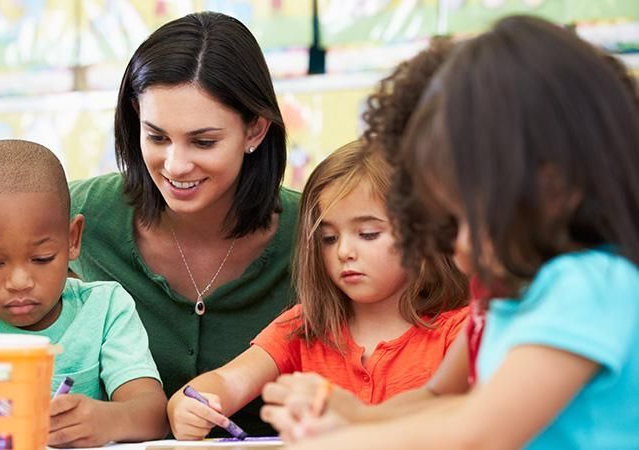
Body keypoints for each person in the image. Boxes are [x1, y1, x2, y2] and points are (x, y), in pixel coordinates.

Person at [271, 16, 639, 449]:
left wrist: (344, 441)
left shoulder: (590, 283)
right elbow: (441, 399)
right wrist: (345, 415)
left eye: (470, 221)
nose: (458, 248)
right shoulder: (509, 293)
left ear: (553, 185)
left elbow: (482, 430)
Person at [68, 11, 299, 436]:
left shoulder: (317, 232)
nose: (175, 164)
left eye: (203, 141)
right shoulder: (79, 214)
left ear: (255, 131)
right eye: (156, 136)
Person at [167, 139, 470, 440]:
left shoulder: (461, 331)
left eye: (367, 234)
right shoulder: (304, 326)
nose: (344, 252)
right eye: (328, 238)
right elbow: (227, 382)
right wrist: (189, 405)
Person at [260, 36, 475, 442]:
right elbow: (433, 396)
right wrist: (350, 415)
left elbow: (482, 426)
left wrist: (348, 430)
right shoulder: (493, 304)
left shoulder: (577, 291)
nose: (434, 231)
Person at [0, 140, 167, 448]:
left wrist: (107, 421)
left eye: (42, 258)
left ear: (72, 239)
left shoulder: (106, 308)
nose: (20, 281)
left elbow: (154, 413)